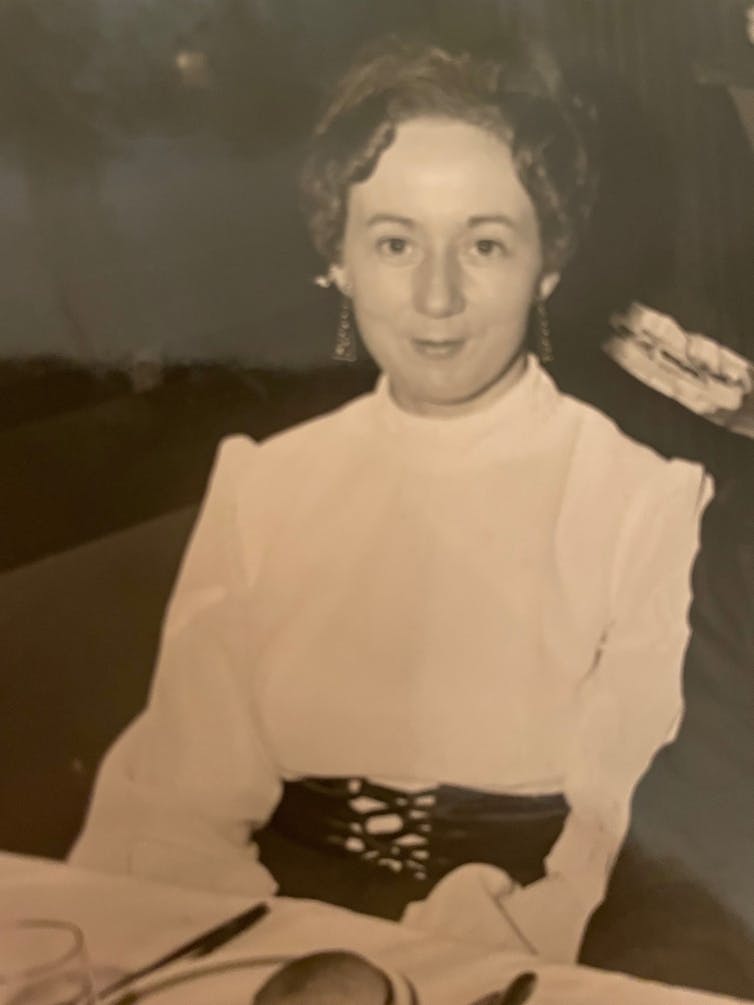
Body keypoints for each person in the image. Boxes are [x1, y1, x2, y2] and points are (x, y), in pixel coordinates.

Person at [69, 35, 711, 964]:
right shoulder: (265, 482)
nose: (436, 296)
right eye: (395, 243)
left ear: (551, 265)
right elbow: (175, 804)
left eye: (485, 244)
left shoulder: (644, 497)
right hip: (271, 949)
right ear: (338, 260)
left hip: (533, 957)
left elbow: (615, 840)